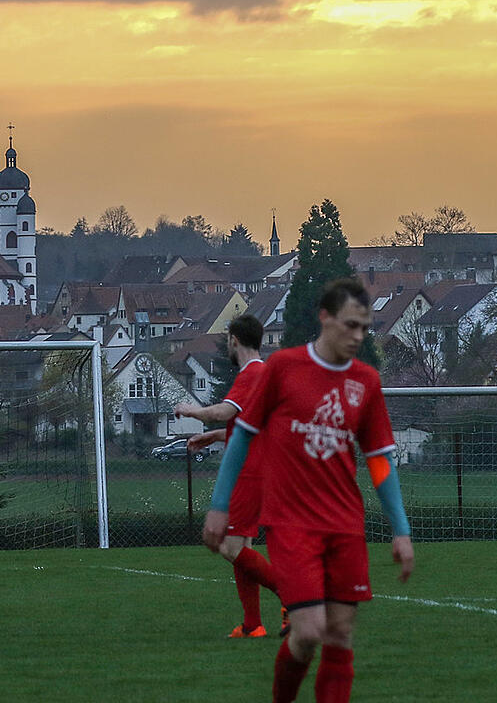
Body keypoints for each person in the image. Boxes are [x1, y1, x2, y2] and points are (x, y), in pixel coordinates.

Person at [204, 278, 415, 703]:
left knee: (339, 633)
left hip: (345, 525)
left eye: (364, 328)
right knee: (309, 632)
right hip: (292, 523)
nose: (358, 336)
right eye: (350, 325)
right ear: (325, 318)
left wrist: (401, 529)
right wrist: (219, 505)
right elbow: (242, 436)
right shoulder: (283, 368)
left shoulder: (366, 381)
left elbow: (379, 459)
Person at [175, 314, 282, 638]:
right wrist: (216, 436)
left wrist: (192, 410)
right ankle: (252, 625)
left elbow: (224, 410)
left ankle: (293, 595)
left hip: (248, 471)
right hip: (258, 467)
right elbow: (251, 427)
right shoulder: (263, 374)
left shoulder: (253, 373)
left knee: (226, 545)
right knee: (240, 547)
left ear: (234, 340)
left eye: (227, 340)